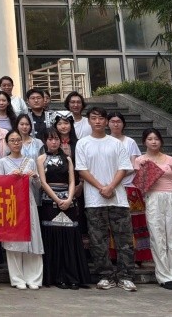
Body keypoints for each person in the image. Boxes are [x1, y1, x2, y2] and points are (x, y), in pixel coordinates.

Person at [75, 106, 136, 292]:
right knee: (98, 240)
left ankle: (126, 276)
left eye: (101, 118)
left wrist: (110, 187)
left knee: (124, 239)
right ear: (89, 121)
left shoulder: (116, 143)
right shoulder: (82, 143)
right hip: (94, 200)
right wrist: (101, 187)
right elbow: (82, 170)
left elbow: (123, 167)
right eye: (94, 118)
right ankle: (105, 276)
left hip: (118, 199)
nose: (98, 121)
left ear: (106, 121)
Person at [36, 128, 92, 290]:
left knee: (70, 237)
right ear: (45, 141)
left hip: (69, 200)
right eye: (50, 139)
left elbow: (72, 180)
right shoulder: (41, 159)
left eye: (56, 139)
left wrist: (69, 199)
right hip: (49, 201)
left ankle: (73, 276)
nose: (53, 142)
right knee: (53, 237)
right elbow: (43, 182)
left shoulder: (67, 158)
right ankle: (57, 277)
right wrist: (57, 199)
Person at [137, 128, 172, 290]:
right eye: (150, 139)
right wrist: (146, 170)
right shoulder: (140, 160)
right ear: (144, 142)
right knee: (157, 237)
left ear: (161, 141)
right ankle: (164, 277)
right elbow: (140, 186)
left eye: (156, 139)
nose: (153, 142)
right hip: (153, 199)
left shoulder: (170, 159)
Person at [0, 130, 44, 290]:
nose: (16, 143)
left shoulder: (30, 161)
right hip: (11, 204)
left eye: (18, 140)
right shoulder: (3, 162)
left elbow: (38, 186)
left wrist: (35, 177)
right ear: (7, 143)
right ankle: (17, 279)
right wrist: (10, 176)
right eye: (12, 140)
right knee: (14, 241)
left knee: (32, 238)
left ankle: (34, 278)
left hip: (28, 202)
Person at [108, 112, 152, 266]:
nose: (116, 124)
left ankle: (138, 255)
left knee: (135, 221)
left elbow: (134, 166)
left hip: (129, 186)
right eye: (112, 121)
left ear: (123, 124)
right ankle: (114, 255)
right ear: (108, 123)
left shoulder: (130, 142)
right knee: (113, 221)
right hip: (110, 187)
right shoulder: (104, 141)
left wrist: (117, 176)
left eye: (118, 121)